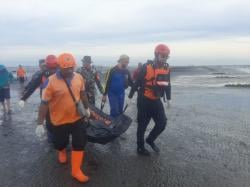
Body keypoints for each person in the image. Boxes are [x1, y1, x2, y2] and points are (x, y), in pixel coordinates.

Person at [36, 53, 91, 183]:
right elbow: (44, 104)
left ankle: (76, 171)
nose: (70, 70)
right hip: (59, 121)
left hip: (77, 118)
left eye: (72, 66)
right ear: (59, 66)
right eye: (66, 67)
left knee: (79, 143)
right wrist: (39, 123)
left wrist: (87, 108)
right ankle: (61, 151)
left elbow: (82, 93)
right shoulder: (50, 81)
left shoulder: (79, 77)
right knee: (60, 143)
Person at [128, 44, 171, 156]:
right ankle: (140, 147)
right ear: (156, 55)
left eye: (167, 56)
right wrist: (130, 96)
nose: (165, 59)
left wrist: (169, 99)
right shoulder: (146, 67)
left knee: (162, 123)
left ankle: (150, 139)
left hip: (156, 100)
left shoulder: (166, 68)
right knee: (142, 125)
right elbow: (137, 83)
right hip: (144, 100)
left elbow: (168, 84)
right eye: (163, 56)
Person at [18, 55, 58, 143]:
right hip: (46, 101)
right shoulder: (42, 74)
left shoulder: (62, 72)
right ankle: (51, 139)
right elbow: (32, 85)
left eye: (54, 68)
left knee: (60, 121)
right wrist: (23, 98)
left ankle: (59, 137)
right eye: (49, 68)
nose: (52, 71)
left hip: (59, 102)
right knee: (49, 120)